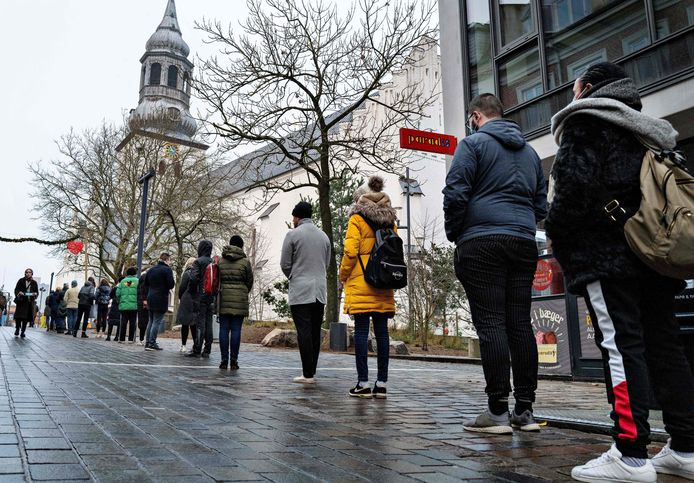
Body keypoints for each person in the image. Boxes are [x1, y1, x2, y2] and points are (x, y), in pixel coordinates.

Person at [546, 62, 694, 483]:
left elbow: (572, 188)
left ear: (588, 89)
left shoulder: (587, 122)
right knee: (666, 347)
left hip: (607, 256)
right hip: (654, 255)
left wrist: (554, 229)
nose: (572, 98)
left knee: (619, 344)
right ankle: (685, 447)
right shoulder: (648, 130)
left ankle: (630, 453)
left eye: (575, 90)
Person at [443, 93, 547, 434]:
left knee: (491, 324)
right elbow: (541, 203)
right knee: (519, 324)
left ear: (475, 117)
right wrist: (523, 225)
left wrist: (456, 232)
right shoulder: (530, 154)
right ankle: (525, 411)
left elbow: (456, 191)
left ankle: (497, 411)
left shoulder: (472, 146)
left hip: (482, 241)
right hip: (522, 241)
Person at [339, 176, 397, 398]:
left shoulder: (356, 219)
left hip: (362, 281)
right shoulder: (390, 221)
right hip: (383, 282)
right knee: (382, 333)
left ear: (360, 200)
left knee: (362, 332)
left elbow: (350, 251)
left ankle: (362, 383)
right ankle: (381, 384)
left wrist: (343, 274)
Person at [280, 201, 331, 384]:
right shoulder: (324, 236)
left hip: (301, 290)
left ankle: (307, 373)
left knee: (304, 331)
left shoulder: (292, 235)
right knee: (315, 331)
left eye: (293, 217)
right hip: (320, 289)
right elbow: (326, 263)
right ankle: (312, 371)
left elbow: (285, 264)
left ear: (297, 217)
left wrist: (294, 275)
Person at [217, 235, 254, 370]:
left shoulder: (221, 261)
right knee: (236, 330)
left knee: (223, 330)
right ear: (241, 246)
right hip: (240, 300)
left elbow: (217, 280)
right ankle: (234, 361)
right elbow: (249, 281)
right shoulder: (245, 262)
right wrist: (243, 291)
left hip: (224, 299)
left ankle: (223, 360)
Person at [188, 240, 215, 358]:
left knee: (200, 323)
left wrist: (192, 291)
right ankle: (207, 349)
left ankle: (197, 348)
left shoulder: (198, 262)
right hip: (211, 296)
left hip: (200, 296)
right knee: (209, 323)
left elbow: (194, 278)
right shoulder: (213, 262)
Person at [143, 253, 175, 351]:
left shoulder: (151, 269)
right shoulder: (167, 270)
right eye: (170, 260)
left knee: (151, 321)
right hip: (161, 298)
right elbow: (171, 285)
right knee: (156, 321)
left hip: (150, 297)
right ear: (167, 260)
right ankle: (152, 343)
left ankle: (148, 342)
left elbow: (146, 283)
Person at [176, 257, 198, 353]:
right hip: (196, 299)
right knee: (194, 324)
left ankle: (183, 345)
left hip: (186, 300)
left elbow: (182, 288)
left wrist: (181, 297)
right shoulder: (198, 273)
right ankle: (195, 344)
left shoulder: (187, 273)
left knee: (185, 324)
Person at [13, 269, 39, 338]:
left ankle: (23, 332)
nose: (28, 273)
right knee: (18, 317)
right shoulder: (21, 280)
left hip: (29, 302)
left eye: (29, 272)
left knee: (26, 318)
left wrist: (35, 294)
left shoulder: (34, 283)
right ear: (25, 273)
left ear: (32, 274)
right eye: (26, 272)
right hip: (21, 302)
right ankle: (17, 329)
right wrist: (19, 292)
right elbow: (16, 289)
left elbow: (37, 292)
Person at [116, 267, 139, 343]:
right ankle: (131, 339)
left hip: (124, 305)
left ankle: (122, 339)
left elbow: (118, 293)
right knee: (133, 322)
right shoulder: (137, 281)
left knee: (123, 321)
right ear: (135, 273)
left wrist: (120, 301)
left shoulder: (122, 281)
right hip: (134, 305)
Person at [136, 270, 149, 346]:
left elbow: (137, 293)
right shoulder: (148, 281)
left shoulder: (140, 282)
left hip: (140, 303)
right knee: (148, 321)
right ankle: (145, 339)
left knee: (141, 321)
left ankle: (141, 339)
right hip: (147, 302)